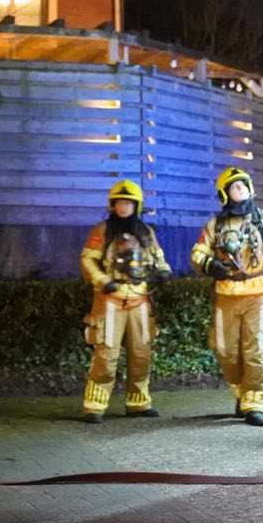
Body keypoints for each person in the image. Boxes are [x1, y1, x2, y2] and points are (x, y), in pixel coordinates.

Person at [191, 165, 263, 426]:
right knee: (226, 350)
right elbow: (198, 253)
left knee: (256, 348)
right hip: (226, 293)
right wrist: (209, 265)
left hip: (259, 292)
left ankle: (253, 401)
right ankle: (240, 392)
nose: (240, 189)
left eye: (243, 184)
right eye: (234, 187)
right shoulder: (216, 225)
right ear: (225, 194)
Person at [78, 180, 172, 422]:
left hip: (140, 299)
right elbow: (87, 260)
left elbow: (158, 257)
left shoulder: (146, 232)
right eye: (120, 202)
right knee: (106, 355)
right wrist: (102, 281)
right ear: (113, 205)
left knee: (141, 354)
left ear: (136, 205)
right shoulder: (103, 231)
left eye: (128, 203)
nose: (124, 207)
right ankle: (95, 406)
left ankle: (138, 403)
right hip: (111, 300)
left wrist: (163, 271)